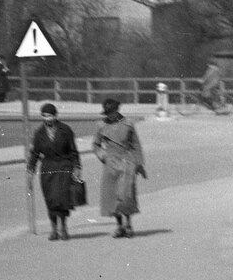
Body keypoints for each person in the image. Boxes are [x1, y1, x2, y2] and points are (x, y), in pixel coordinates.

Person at [92, 97, 147, 238]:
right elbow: (96, 144)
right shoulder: (101, 125)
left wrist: (139, 164)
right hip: (110, 163)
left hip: (126, 161)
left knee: (126, 195)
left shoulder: (128, 124)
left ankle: (128, 224)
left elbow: (136, 145)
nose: (110, 115)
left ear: (117, 110)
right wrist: (103, 156)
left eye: (112, 112)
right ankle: (119, 226)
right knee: (112, 196)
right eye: (108, 113)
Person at [28, 102, 81, 240]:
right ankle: (53, 229)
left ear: (55, 116)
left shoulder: (65, 130)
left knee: (62, 199)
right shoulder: (39, 133)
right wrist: (30, 169)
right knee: (50, 200)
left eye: (50, 116)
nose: (48, 119)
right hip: (48, 168)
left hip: (64, 167)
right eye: (45, 116)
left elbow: (73, 151)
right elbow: (34, 153)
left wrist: (77, 167)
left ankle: (63, 227)